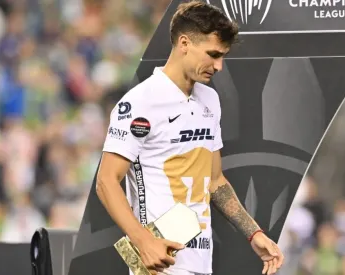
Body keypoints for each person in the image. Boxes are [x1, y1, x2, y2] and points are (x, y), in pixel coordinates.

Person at [96, 1, 284, 274]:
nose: (219, 66)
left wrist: (253, 234)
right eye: (213, 54)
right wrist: (144, 242)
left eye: (222, 56)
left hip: (200, 263)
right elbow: (106, 180)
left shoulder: (210, 100)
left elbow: (215, 181)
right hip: (160, 265)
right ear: (184, 43)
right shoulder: (140, 103)